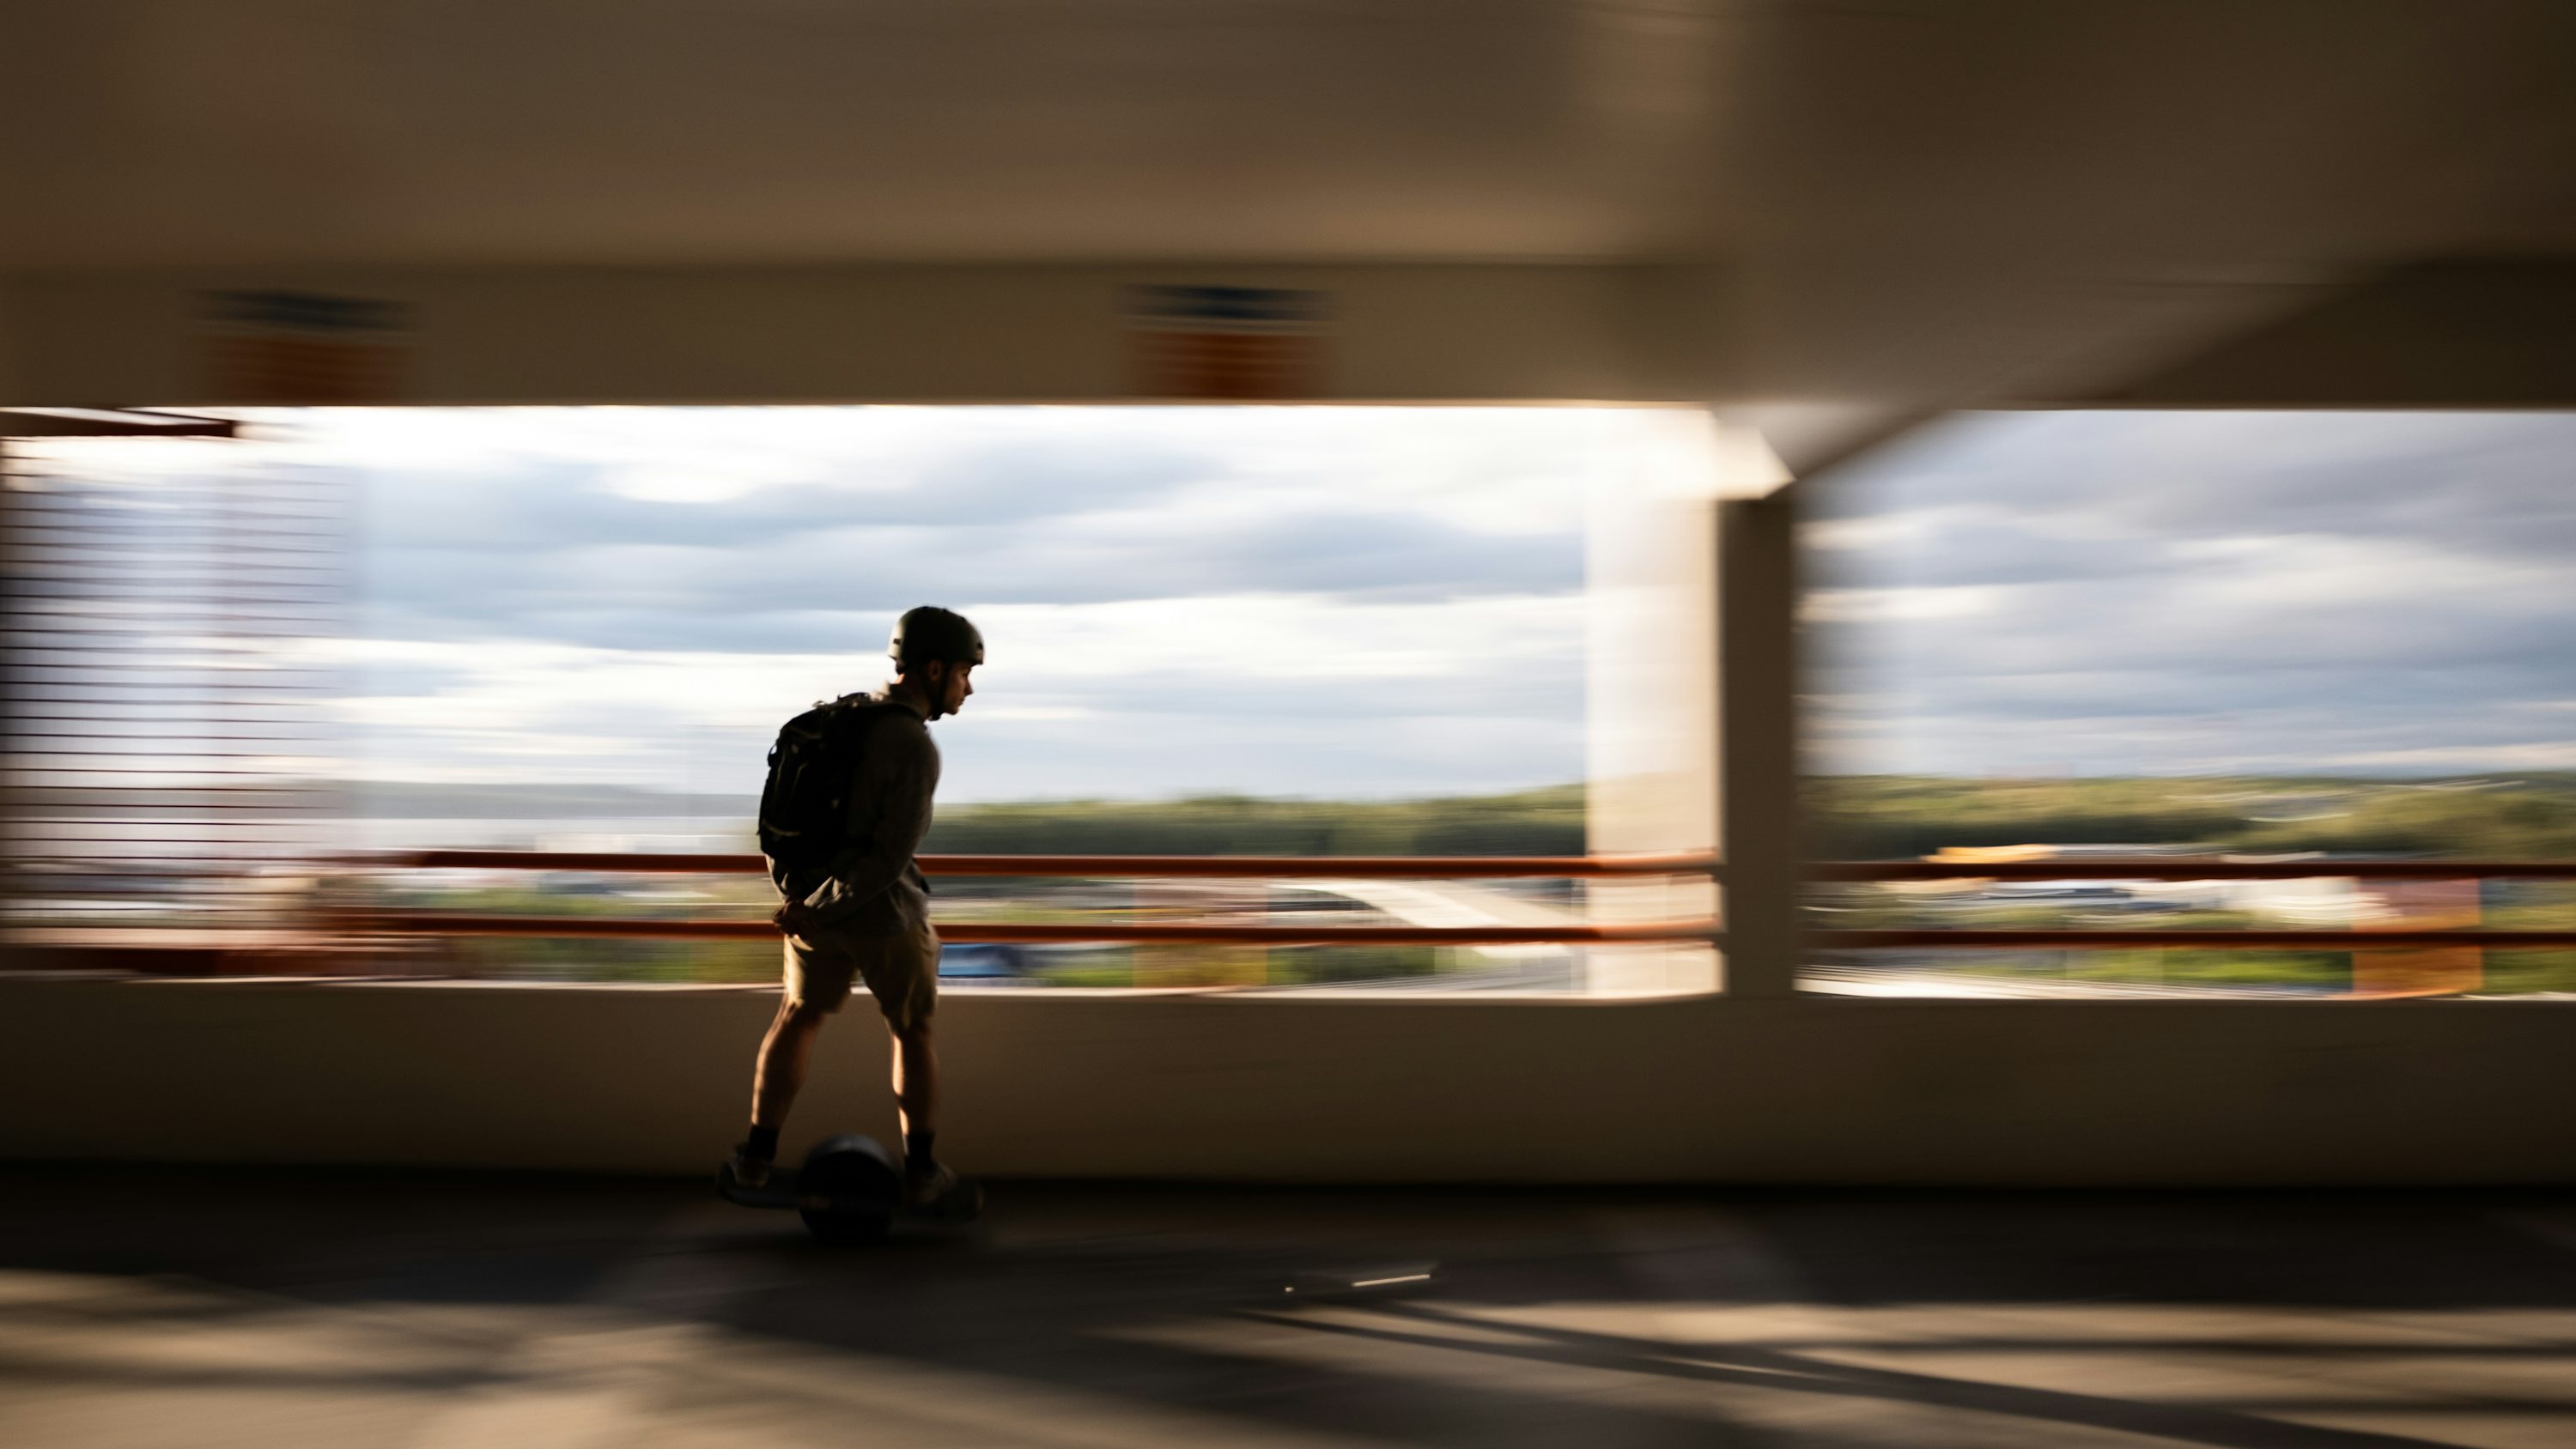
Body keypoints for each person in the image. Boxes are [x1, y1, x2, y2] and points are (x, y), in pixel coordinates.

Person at [725, 605, 981, 1206]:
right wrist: (821, 902)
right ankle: (921, 1174)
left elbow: (777, 824)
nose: (969, 688)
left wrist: (799, 902)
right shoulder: (913, 745)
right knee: (913, 1031)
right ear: (935, 668)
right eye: (966, 673)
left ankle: (755, 1161)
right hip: (881, 915)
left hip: (811, 917)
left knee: (797, 1018)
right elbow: (890, 858)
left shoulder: (834, 719)